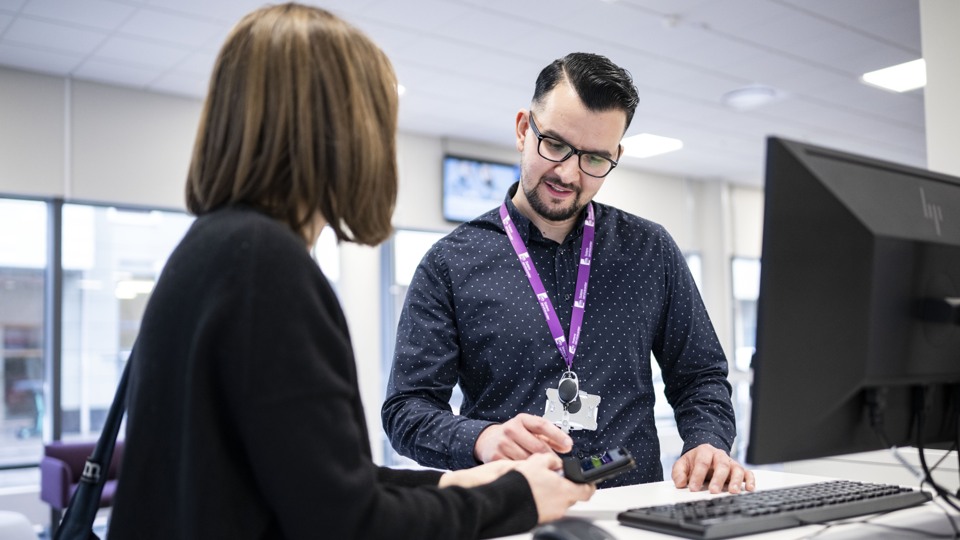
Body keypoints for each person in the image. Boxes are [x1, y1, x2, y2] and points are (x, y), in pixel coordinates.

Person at [107, 5, 593, 539]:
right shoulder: (267, 268)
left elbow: (319, 481)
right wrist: (515, 501)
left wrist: (462, 486)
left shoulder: (215, 249)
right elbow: (350, 524)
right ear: (344, 132)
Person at [382, 52, 756, 493]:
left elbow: (700, 376)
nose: (567, 173)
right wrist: (482, 438)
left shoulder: (650, 250)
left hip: (633, 510)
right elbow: (407, 409)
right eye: (555, 145)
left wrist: (707, 442)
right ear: (524, 129)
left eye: (595, 159)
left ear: (615, 155)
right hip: (510, 510)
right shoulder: (450, 263)